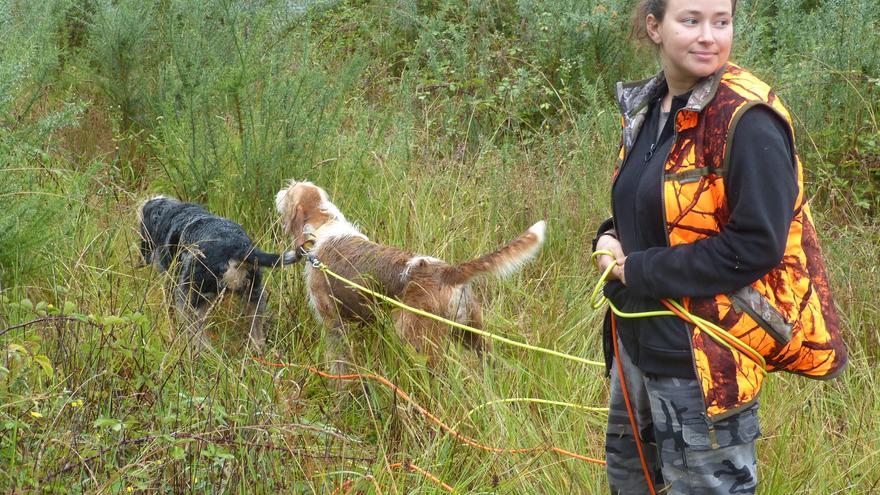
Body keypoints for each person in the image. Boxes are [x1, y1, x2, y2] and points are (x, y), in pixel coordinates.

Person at [591, 0, 848, 493]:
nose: (709, 35)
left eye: (721, 21)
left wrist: (639, 270)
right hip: (637, 351)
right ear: (655, 28)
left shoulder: (746, 118)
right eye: (691, 20)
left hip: (706, 365)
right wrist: (610, 234)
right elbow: (649, 204)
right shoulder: (652, 105)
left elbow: (755, 245)